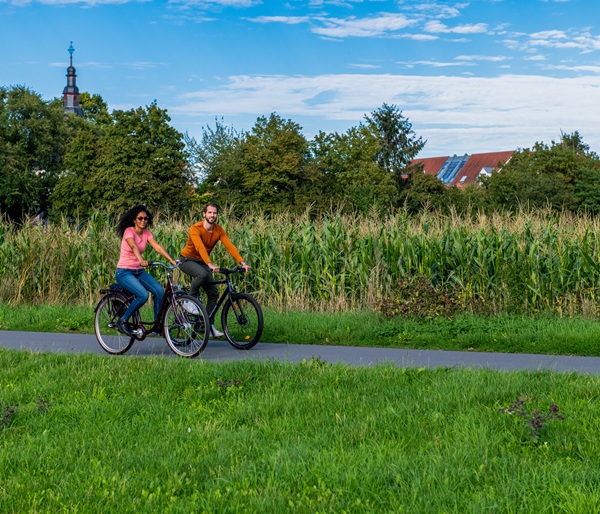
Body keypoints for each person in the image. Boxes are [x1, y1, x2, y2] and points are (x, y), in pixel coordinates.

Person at [179, 203, 250, 337]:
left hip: (203, 262)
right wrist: (210, 264)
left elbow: (230, 246)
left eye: (215, 213)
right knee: (201, 274)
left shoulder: (218, 230)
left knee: (213, 293)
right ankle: (188, 300)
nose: (212, 215)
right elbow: (200, 247)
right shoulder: (195, 228)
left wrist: (242, 262)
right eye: (210, 213)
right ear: (204, 214)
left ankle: (206, 325)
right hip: (187, 260)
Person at [114, 204, 178, 336]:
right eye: (140, 218)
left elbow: (157, 247)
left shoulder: (147, 233)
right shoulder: (129, 231)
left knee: (159, 291)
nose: (143, 221)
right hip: (124, 272)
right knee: (143, 295)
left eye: (146, 218)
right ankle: (123, 320)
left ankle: (157, 325)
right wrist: (141, 259)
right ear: (134, 219)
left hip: (138, 271)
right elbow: (133, 246)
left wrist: (171, 260)